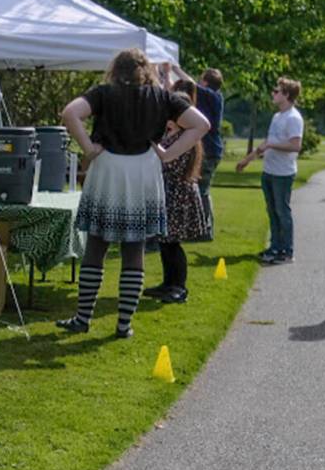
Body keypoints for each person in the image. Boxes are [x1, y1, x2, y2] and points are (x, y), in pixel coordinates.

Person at [57, 49, 209, 338]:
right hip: (143, 172)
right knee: (134, 250)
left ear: (116, 69)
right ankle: (124, 324)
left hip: (108, 170)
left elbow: (70, 113)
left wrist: (89, 149)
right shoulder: (163, 97)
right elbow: (201, 125)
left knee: (96, 246)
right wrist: (168, 154)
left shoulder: (104, 92)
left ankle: (83, 318)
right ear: (146, 70)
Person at [144, 79, 211, 304]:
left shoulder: (185, 139)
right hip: (170, 195)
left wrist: (151, 141)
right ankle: (168, 283)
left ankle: (179, 287)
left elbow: (168, 161)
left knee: (173, 244)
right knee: (166, 242)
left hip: (178, 197)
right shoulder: (174, 135)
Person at [236, 77, 304, 265]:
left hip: (283, 173)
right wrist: (247, 160)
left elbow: (296, 145)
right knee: (272, 211)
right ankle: (275, 247)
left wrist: (273, 145)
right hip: (269, 170)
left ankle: (286, 251)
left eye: (277, 91)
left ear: (287, 95)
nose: (273, 94)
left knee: (282, 211)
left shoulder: (293, 118)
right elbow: (265, 145)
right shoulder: (277, 116)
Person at [169, 63, 224, 237]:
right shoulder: (214, 98)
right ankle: (203, 227)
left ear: (206, 83)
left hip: (209, 151)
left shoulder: (213, 96)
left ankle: (204, 229)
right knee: (202, 189)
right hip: (213, 150)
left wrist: (175, 68)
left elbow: (190, 83)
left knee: (202, 190)